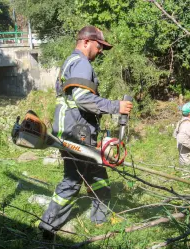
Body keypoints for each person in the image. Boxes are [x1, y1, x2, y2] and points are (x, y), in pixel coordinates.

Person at [38, 26, 133, 239]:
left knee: (97, 173)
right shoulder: (81, 63)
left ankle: (99, 219)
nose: (100, 51)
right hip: (75, 133)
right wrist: (115, 106)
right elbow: (82, 99)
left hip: (74, 130)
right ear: (86, 42)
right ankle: (48, 226)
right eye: (99, 46)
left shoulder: (71, 62)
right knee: (72, 180)